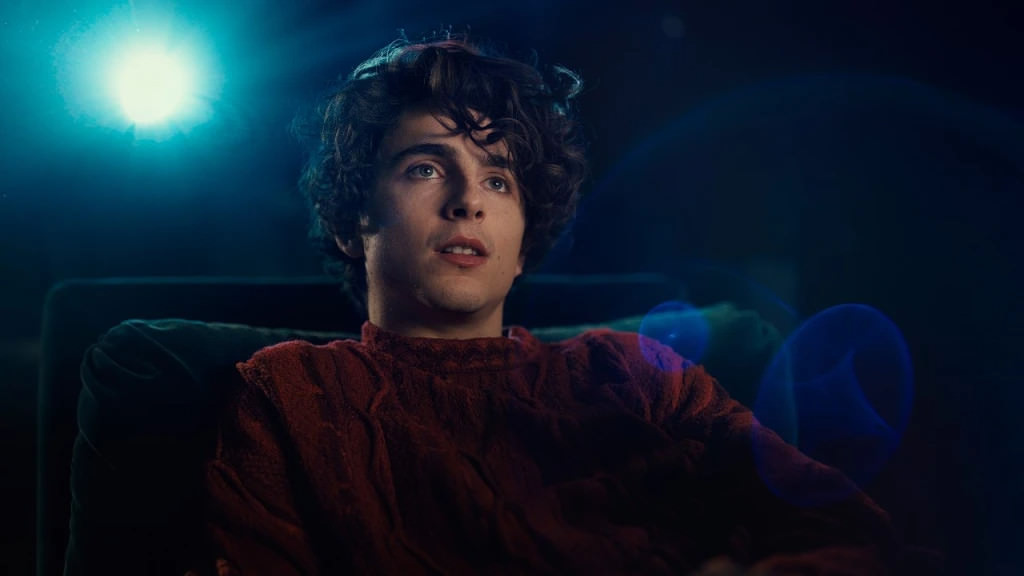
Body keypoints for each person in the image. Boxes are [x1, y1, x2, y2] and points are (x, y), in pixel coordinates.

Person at [192, 36, 922, 575]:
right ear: (356, 222)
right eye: (425, 167)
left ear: (521, 242)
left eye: (499, 180)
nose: (469, 200)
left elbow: (851, 528)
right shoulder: (289, 392)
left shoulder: (638, 373)